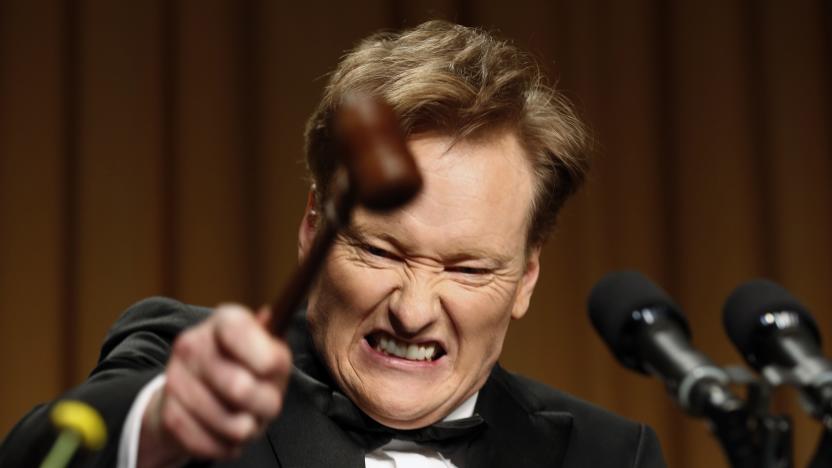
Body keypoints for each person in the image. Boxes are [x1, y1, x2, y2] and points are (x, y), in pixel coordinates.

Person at [0, 20, 666, 468]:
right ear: (314, 227)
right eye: (381, 251)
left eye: (466, 267)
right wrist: (159, 425)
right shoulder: (185, 370)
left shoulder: (610, 454)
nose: (414, 309)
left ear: (525, 279)